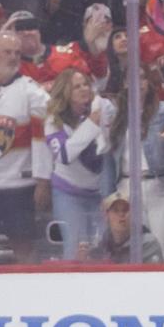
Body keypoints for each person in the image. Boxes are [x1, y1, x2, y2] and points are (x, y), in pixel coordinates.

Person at [0, 30, 49, 263]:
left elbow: (43, 137)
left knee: (24, 246)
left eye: (17, 53)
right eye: (7, 52)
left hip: (19, 186)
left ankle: (30, 294)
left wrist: (42, 179)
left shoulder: (31, 91)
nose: (13, 57)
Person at [104, 66, 164, 263]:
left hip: (159, 186)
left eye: (141, 78)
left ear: (149, 82)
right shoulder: (116, 114)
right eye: (131, 78)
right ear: (124, 84)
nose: (137, 83)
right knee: (131, 254)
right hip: (127, 189)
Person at [43, 69, 110, 260]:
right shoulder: (54, 120)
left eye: (85, 84)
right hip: (68, 194)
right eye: (76, 86)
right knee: (74, 251)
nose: (83, 89)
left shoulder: (102, 110)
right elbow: (64, 155)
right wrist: (90, 124)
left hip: (100, 194)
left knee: (102, 252)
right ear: (65, 92)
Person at [85, 190, 164, 264]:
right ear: (106, 216)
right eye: (116, 210)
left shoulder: (148, 244)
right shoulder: (104, 245)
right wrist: (83, 259)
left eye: (125, 210)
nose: (121, 214)